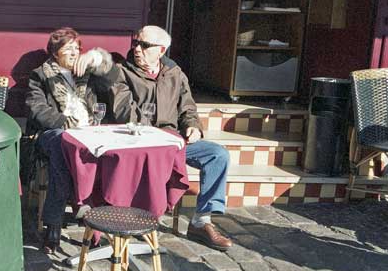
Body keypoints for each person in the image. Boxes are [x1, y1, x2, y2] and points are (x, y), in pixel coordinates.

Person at [109, 25, 233, 251]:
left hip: (174, 140)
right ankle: (138, 217)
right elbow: (123, 111)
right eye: (136, 43)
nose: (137, 48)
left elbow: (188, 108)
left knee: (218, 155)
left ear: (161, 50)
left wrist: (193, 127)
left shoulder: (174, 73)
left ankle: (201, 221)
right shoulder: (121, 72)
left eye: (144, 45)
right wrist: (158, 135)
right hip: (140, 141)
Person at [25, 27, 113, 254]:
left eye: (77, 48)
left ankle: (94, 218)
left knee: (105, 153)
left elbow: (112, 78)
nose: (75, 53)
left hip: (88, 132)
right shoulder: (41, 74)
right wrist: (64, 122)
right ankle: (55, 223)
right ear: (55, 53)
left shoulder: (87, 72)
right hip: (53, 133)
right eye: (68, 48)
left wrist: (96, 57)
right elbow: (37, 109)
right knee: (62, 148)